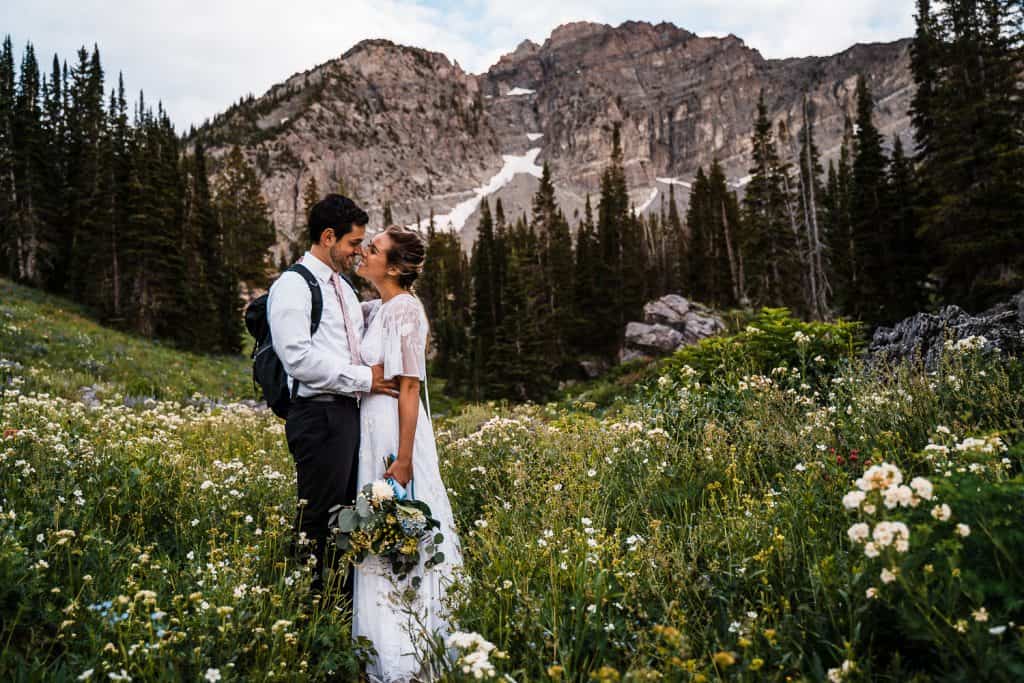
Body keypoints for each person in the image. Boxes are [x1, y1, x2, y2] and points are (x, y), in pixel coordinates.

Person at [267, 194, 399, 594]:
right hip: (318, 415)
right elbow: (298, 358)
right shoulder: (294, 284)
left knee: (345, 518)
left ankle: (337, 602)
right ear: (328, 237)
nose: (358, 251)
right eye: (353, 243)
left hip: (345, 416)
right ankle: (310, 606)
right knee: (319, 519)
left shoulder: (341, 286)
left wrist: (399, 302)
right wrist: (366, 379)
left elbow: (352, 333)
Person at [352, 225, 463, 682]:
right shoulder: (377, 308)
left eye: (373, 249)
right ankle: (380, 648)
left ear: (394, 266)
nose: (364, 251)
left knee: (402, 532)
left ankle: (411, 659)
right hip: (371, 430)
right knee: (376, 534)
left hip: (395, 438)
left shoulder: (405, 311)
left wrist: (402, 459)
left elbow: (411, 387)